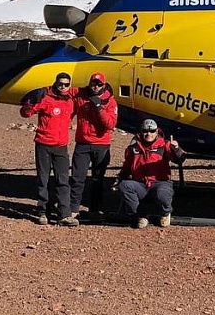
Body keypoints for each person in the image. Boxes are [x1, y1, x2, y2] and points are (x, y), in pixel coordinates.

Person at [20, 73, 76, 226]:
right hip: (44, 144)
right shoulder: (46, 98)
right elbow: (25, 113)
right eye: (60, 84)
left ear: (69, 85)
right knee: (43, 179)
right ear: (55, 83)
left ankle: (64, 213)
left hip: (61, 146)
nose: (62, 87)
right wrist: (30, 102)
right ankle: (42, 211)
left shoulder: (70, 101)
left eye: (66, 84)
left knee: (63, 180)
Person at [68, 71, 119, 223]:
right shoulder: (81, 95)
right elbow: (63, 89)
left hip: (101, 145)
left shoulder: (110, 101)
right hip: (83, 143)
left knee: (97, 180)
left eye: (99, 84)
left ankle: (94, 209)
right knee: (77, 178)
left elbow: (110, 124)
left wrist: (99, 108)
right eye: (93, 83)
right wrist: (44, 91)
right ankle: (73, 209)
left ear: (104, 85)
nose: (95, 87)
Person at [116, 119, 184, 228]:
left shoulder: (164, 145)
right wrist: (119, 179)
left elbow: (179, 159)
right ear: (141, 132)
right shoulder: (134, 147)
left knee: (163, 193)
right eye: (145, 131)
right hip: (140, 184)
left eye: (152, 131)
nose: (149, 134)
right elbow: (127, 166)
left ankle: (165, 213)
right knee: (125, 186)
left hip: (160, 182)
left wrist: (176, 149)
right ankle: (140, 215)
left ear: (157, 132)